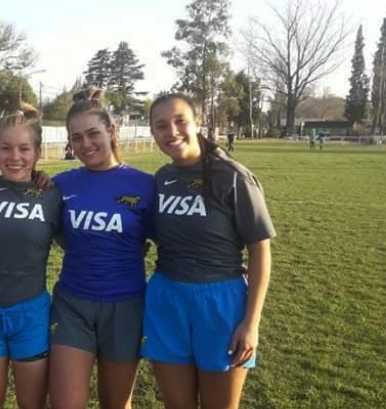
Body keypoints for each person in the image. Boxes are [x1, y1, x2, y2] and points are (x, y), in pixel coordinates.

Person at [143, 93, 275, 409]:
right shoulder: (162, 179)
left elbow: (260, 252)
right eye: (161, 125)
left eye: (180, 121)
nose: (171, 131)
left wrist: (251, 323)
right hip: (166, 300)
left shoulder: (232, 176)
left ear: (198, 123)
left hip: (221, 303)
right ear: (153, 133)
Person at [49, 88, 155, 409]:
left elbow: (169, 238)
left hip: (125, 306)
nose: (85, 144)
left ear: (111, 130)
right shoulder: (61, 184)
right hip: (73, 305)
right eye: (76, 137)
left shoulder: (145, 185)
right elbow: (57, 232)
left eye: (93, 133)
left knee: (116, 403)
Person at [0, 104, 61, 409]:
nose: (15, 157)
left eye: (24, 149)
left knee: (32, 404)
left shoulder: (52, 195)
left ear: (37, 153)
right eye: (5, 148)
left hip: (30, 313)